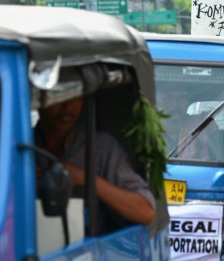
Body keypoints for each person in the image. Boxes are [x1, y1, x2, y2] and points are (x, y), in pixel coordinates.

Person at [35, 97, 155, 235]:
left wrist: (84, 178)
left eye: (76, 97)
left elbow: (146, 212)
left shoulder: (101, 147)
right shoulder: (15, 148)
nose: (68, 107)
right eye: (59, 96)